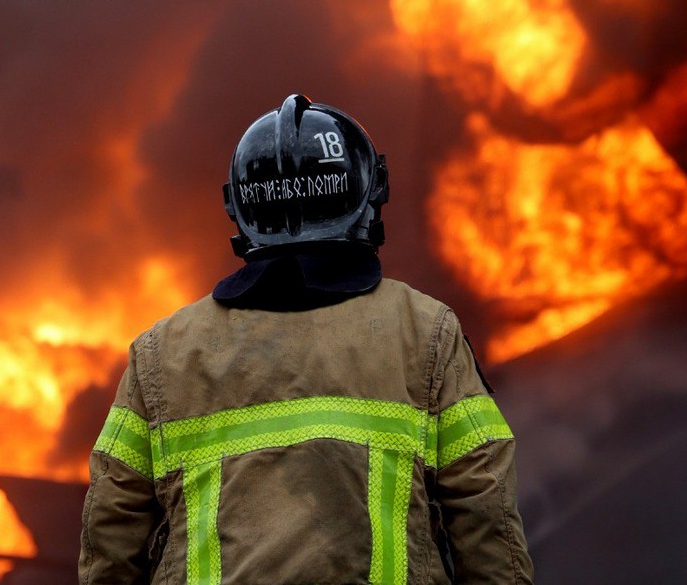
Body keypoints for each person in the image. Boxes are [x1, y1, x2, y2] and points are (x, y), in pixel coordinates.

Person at [79, 94, 534, 584]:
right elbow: (485, 512)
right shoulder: (425, 333)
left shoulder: (163, 354)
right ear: (368, 196)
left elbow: (111, 533)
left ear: (239, 209)